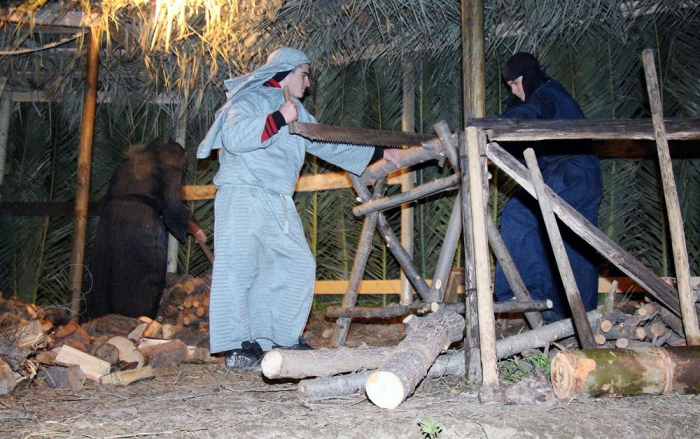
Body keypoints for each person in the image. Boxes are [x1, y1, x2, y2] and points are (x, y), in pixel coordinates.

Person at [197, 47, 400, 369]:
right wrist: (279, 118)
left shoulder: (298, 111)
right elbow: (234, 137)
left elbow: (326, 141)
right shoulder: (246, 101)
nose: (307, 82)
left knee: (296, 264)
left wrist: (378, 151)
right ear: (284, 73)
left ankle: (280, 339)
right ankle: (237, 347)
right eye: (304, 74)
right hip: (242, 194)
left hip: (277, 198)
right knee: (239, 269)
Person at [493, 52, 602, 323]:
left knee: (533, 221)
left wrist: (490, 125)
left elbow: (528, 115)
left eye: (517, 83)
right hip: (566, 173)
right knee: (551, 230)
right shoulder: (541, 99)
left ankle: (537, 300)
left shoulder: (548, 93)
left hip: (573, 172)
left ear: (529, 78)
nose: (516, 91)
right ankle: (554, 311)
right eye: (510, 87)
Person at [83, 137, 207, 322]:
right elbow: (173, 204)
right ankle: (133, 330)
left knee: (108, 276)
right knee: (142, 281)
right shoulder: (171, 159)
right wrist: (192, 226)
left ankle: (99, 328)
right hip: (140, 222)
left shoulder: (133, 159)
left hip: (109, 220)